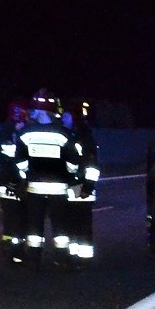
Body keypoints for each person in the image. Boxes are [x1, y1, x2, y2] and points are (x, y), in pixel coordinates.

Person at [14, 89, 81, 269]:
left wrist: (26, 174)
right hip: (59, 188)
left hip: (34, 188)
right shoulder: (63, 134)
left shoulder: (25, 133)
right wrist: (69, 176)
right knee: (60, 227)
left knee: (34, 226)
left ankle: (33, 260)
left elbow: (19, 160)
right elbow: (74, 162)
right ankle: (62, 259)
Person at [0, 99, 29, 263]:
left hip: (6, 186)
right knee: (20, 219)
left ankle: (9, 248)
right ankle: (16, 251)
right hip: (17, 185)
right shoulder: (17, 135)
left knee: (10, 219)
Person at [62, 102, 100, 269]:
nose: (63, 118)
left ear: (74, 117)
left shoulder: (82, 137)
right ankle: (76, 258)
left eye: (66, 115)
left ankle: (80, 259)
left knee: (79, 224)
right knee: (75, 224)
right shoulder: (78, 135)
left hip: (80, 186)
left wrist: (86, 187)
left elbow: (91, 165)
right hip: (77, 186)